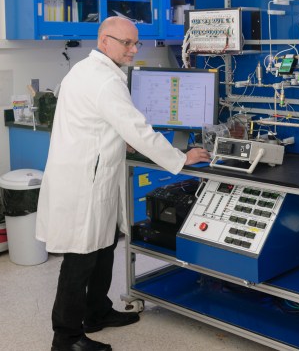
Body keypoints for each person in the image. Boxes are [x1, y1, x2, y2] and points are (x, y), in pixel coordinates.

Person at [36, 17, 211, 351]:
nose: (134, 50)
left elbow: (101, 121)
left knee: (104, 245)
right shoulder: (103, 80)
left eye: (136, 43)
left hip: (92, 173)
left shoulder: (87, 71)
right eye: (127, 43)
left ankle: (97, 311)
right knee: (80, 257)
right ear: (105, 42)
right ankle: (66, 337)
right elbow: (138, 128)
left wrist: (123, 139)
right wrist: (180, 157)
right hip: (84, 181)